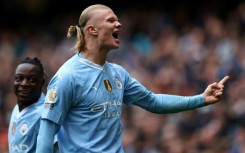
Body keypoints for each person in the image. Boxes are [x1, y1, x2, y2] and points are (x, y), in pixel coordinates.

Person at [36, 4, 229, 153]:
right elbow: (45, 138)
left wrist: (201, 99)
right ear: (92, 30)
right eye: (111, 21)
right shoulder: (67, 76)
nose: (118, 24)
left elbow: (153, 102)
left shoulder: (118, 73)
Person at [8, 57, 58, 153]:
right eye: (19, 78)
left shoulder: (45, 113)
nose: (24, 84)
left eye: (32, 80)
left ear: (42, 83)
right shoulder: (15, 110)